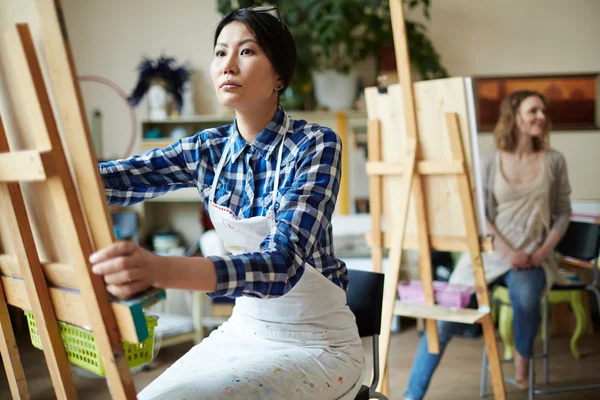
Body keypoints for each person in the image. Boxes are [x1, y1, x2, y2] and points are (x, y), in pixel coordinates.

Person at [89, 7, 364, 400]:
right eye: (220, 53)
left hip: (316, 343)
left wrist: (158, 268)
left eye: (247, 52)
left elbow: (281, 263)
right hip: (244, 330)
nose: (228, 65)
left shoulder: (315, 145)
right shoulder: (207, 149)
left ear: (280, 77)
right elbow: (121, 178)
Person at [402, 90, 572, 400]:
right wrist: (508, 251)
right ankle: (411, 395)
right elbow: (480, 214)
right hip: (491, 255)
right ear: (514, 117)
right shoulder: (490, 161)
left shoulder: (554, 160)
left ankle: (522, 361)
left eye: (543, 111)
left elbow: (563, 212)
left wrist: (541, 252)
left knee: (525, 294)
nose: (541, 117)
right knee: (443, 321)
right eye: (534, 110)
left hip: (535, 258)